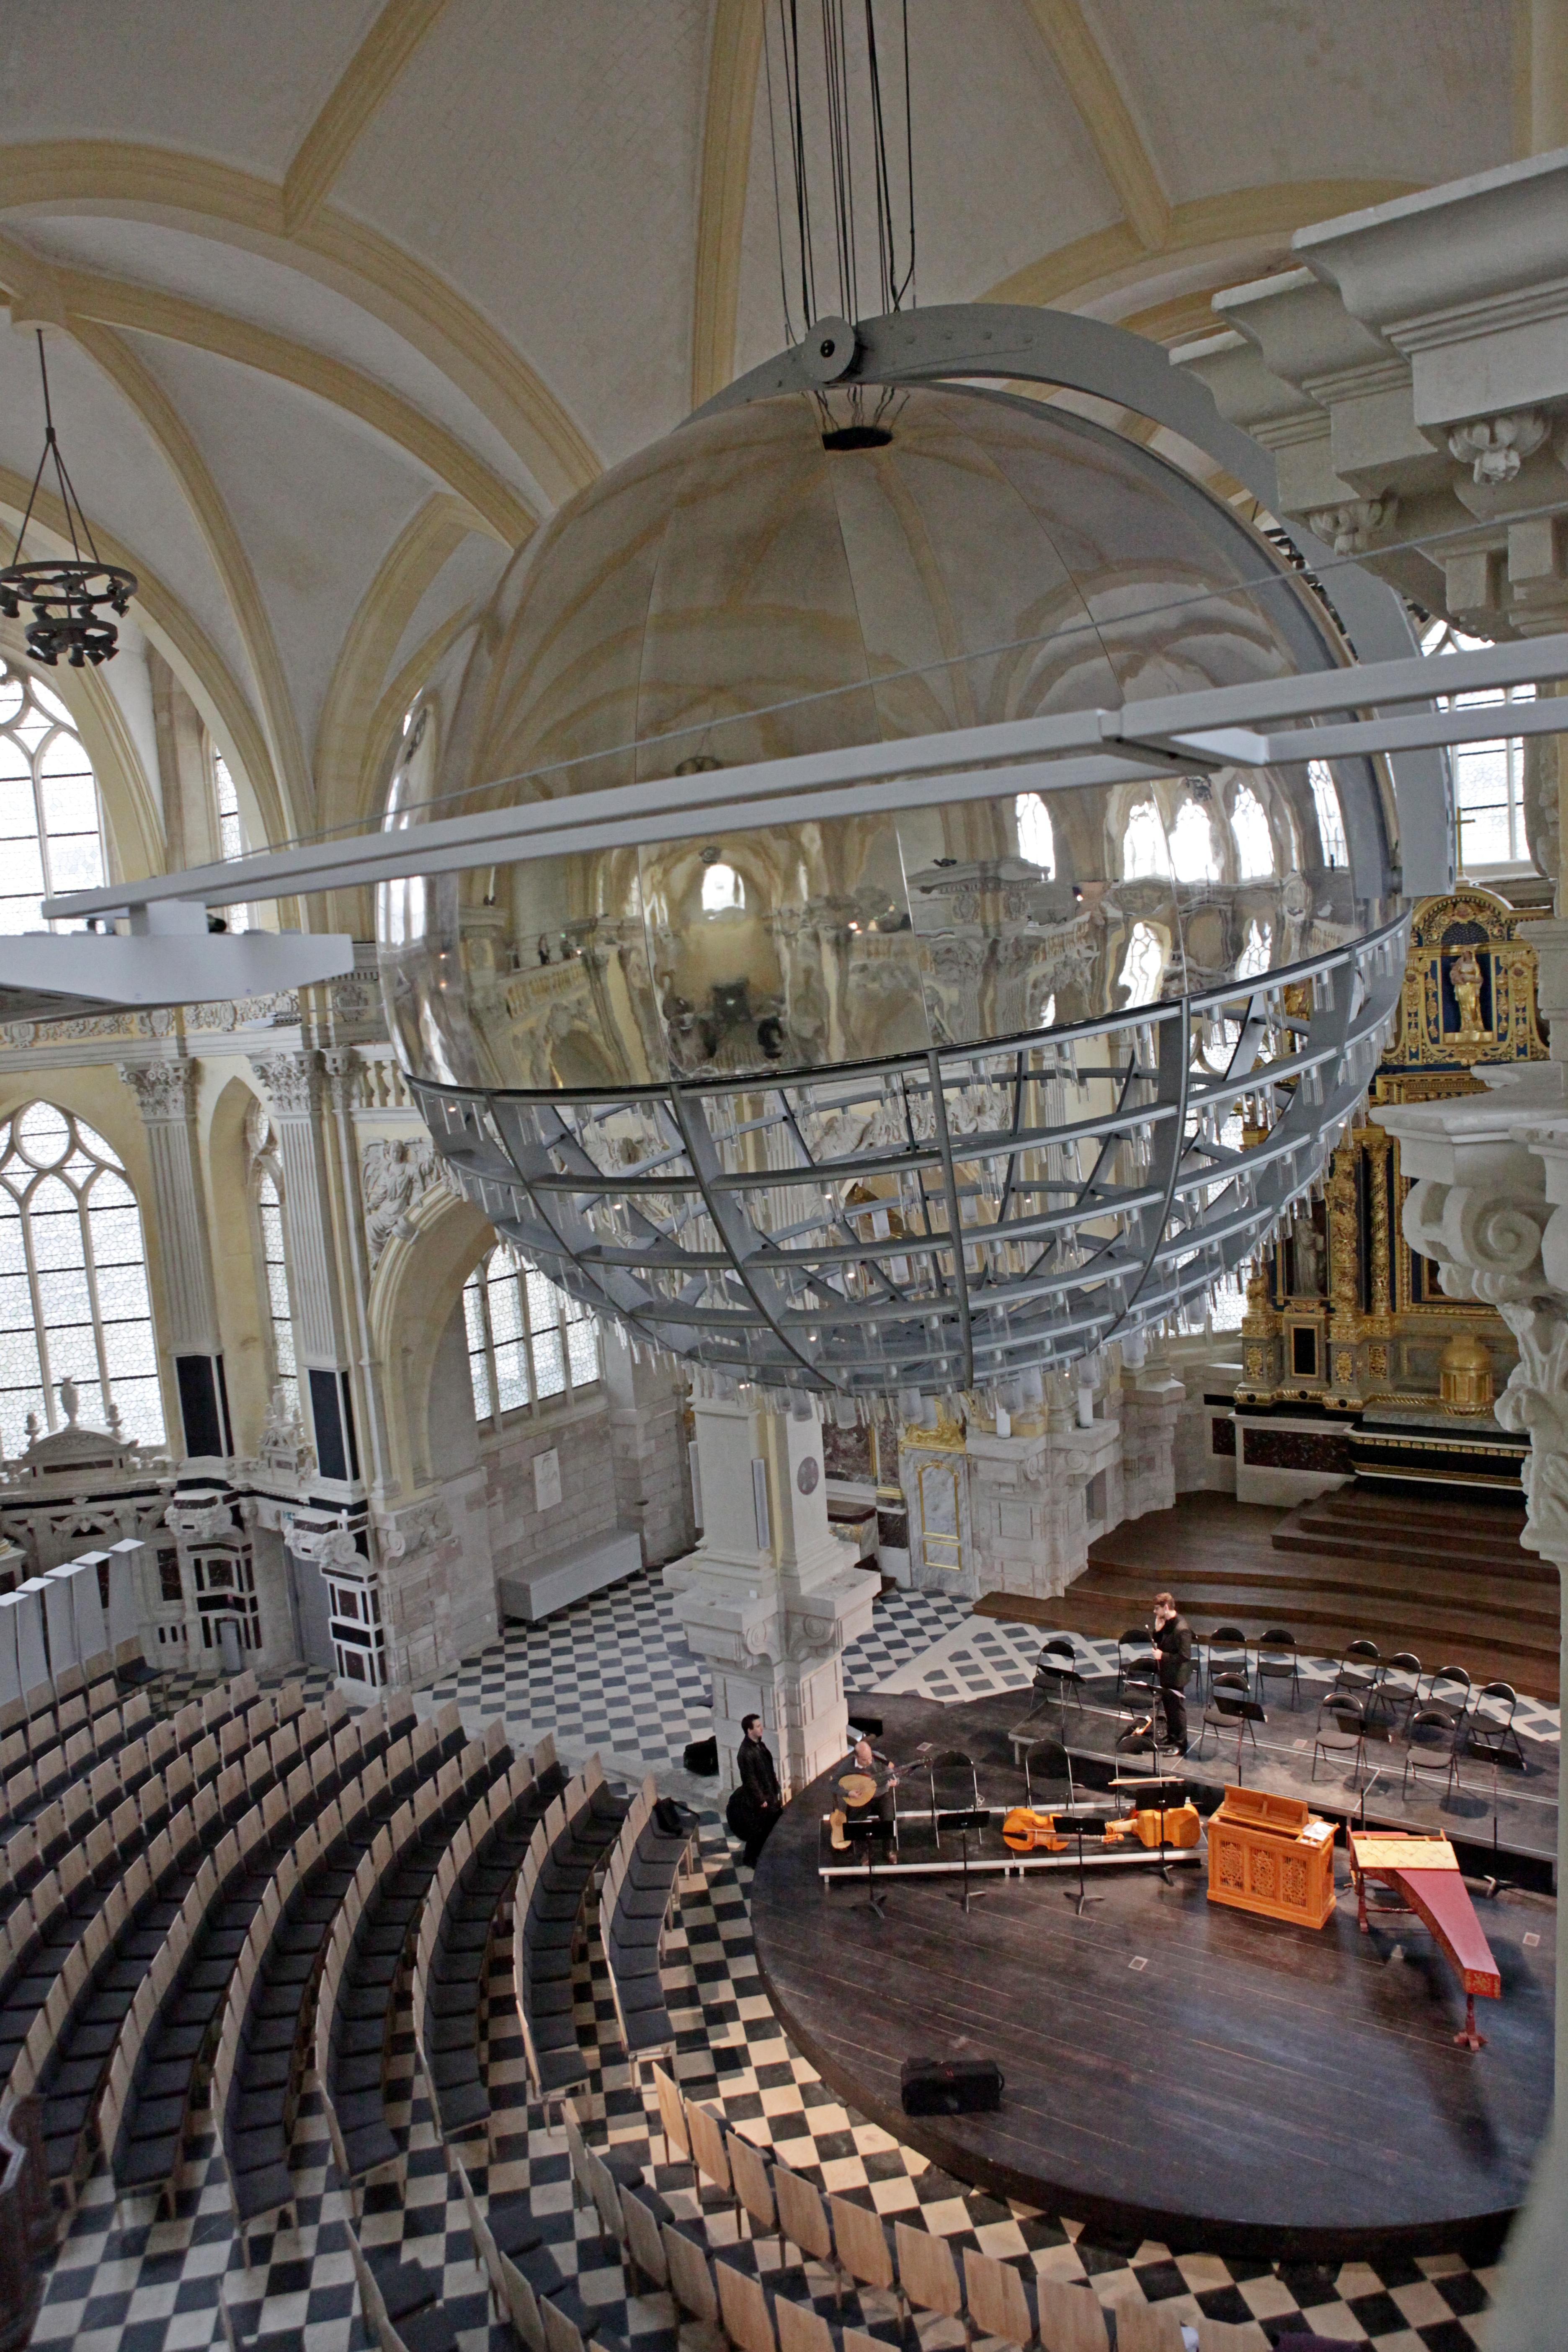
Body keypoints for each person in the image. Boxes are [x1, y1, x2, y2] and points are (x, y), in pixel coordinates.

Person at [727, 1713, 782, 1867]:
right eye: (758, 1726)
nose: (761, 1728)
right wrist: (761, 1800)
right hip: (760, 1800)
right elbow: (750, 1780)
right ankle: (750, 1858)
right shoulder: (745, 1753)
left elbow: (768, 1769)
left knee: (768, 1827)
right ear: (749, 1730)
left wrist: (775, 1786)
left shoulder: (759, 1745)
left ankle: (763, 1854)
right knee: (758, 1830)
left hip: (769, 1794)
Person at [1152, 1591, 1193, 1754]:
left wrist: (1163, 1656)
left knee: (1177, 1709)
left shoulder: (1182, 1628)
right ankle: (1172, 1735)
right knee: (1168, 1707)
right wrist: (1157, 1630)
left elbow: (1185, 1656)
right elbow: (1160, 1640)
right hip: (1167, 1672)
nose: (1155, 1612)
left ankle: (1181, 1744)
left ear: (1166, 1607)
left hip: (1177, 1676)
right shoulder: (1167, 1621)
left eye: (1157, 1609)